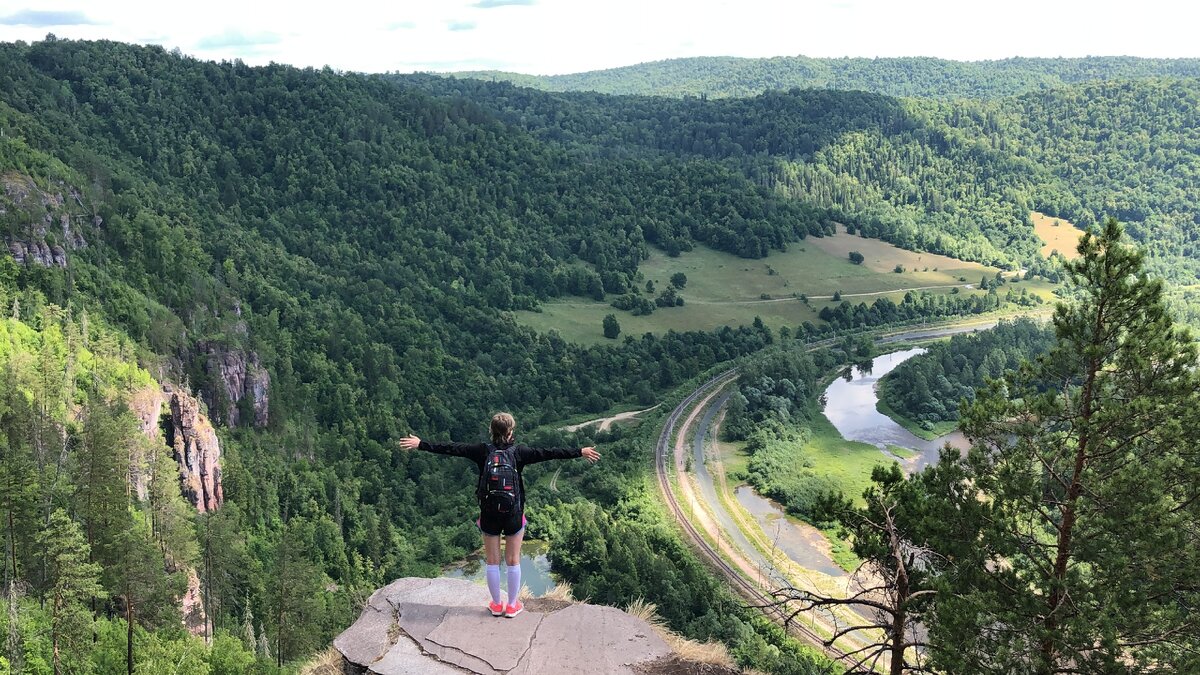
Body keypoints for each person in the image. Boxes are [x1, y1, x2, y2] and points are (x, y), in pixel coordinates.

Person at [398, 412, 600, 618]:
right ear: (511, 431)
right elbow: (549, 452)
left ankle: (496, 605)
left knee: (492, 561)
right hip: (513, 513)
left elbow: (452, 448)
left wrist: (421, 444)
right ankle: (512, 606)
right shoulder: (519, 452)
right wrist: (579, 451)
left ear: (491, 430)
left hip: (488, 514)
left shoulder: (481, 451)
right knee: (513, 560)